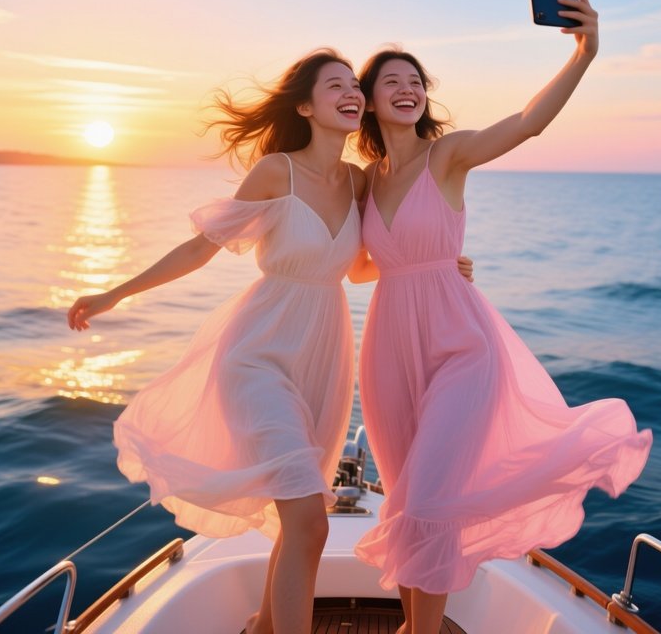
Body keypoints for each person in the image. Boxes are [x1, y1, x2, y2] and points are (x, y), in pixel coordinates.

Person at [66, 46, 475, 633]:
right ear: (306, 107)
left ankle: (264, 625)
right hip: (258, 352)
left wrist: (441, 264)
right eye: (334, 87)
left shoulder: (361, 181)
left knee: (297, 524)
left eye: (351, 86)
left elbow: (363, 266)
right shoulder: (276, 171)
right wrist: (115, 294)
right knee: (311, 523)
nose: (350, 95)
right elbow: (201, 247)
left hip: (324, 358)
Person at [351, 0, 653, 634]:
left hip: (461, 345)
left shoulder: (449, 154)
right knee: (406, 501)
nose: (406, 90)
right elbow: (357, 268)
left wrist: (585, 53)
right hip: (386, 351)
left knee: (432, 500)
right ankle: (411, 624)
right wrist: (424, 262)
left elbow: (527, 122)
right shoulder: (367, 181)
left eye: (415, 82)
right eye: (391, 83)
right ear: (370, 100)